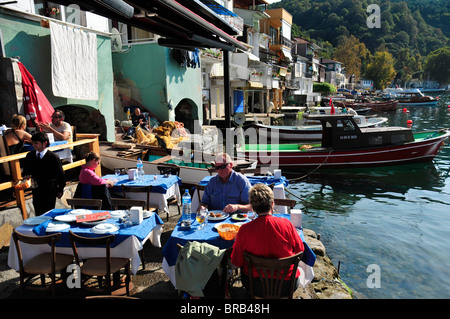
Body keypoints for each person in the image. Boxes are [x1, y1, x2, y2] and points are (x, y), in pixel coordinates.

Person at [230, 183, 304, 296]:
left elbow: (236, 261)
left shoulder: (244, 230)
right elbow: (300, 250)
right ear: (272, 204)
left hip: (255, 286)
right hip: (287, 285)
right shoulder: (286, 224)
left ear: (253, 207)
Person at [22, 132, 65, 215]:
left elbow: (61, 174)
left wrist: (60, 189)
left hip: (50, 189)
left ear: (44, 143)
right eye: (33, 143)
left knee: (48, 212)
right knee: (38, 211)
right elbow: (26, 170)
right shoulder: (30, 156)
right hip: (36, 189)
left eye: (36, 143)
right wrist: (26, 175)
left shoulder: (53, 157)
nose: (34, 145)